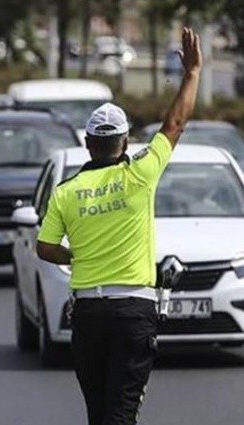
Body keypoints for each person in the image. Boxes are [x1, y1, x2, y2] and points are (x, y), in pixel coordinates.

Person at [36, 28, 202, 425]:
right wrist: (192, 73)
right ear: (124, 143)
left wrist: (75, 254)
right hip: (134, 312)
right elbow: (175, 124)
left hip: (89, 314)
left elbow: (44, 247)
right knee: (121, 413)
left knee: (99, 414)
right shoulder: (141, 174)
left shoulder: (67, 191)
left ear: (89, 144)